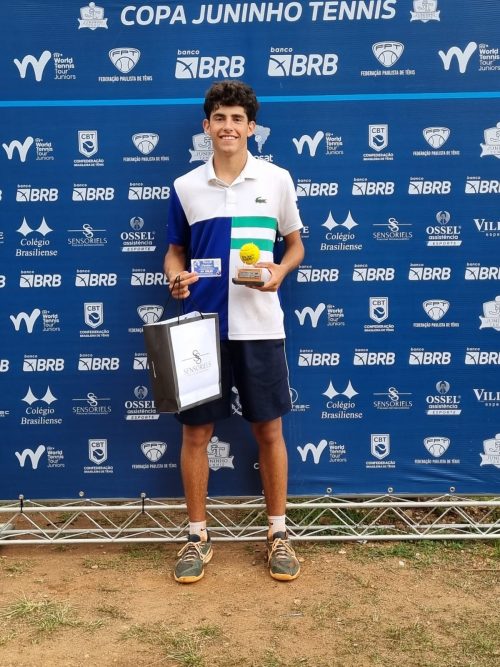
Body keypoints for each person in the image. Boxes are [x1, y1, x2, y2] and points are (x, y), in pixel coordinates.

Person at [164, 80, 305, 584]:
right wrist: (174, 278)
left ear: (251, 128)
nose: (228, 127)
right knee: (196, 432)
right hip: (201, 328)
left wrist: (280, 271)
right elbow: (175, 252)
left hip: (260, 326)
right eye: (220, 118)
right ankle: (197, 536)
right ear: (207, 127)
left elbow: (295, 244)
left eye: (237, 119)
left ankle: (278, 533)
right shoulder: (186, 186)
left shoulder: (277, 179)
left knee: (269, 430)